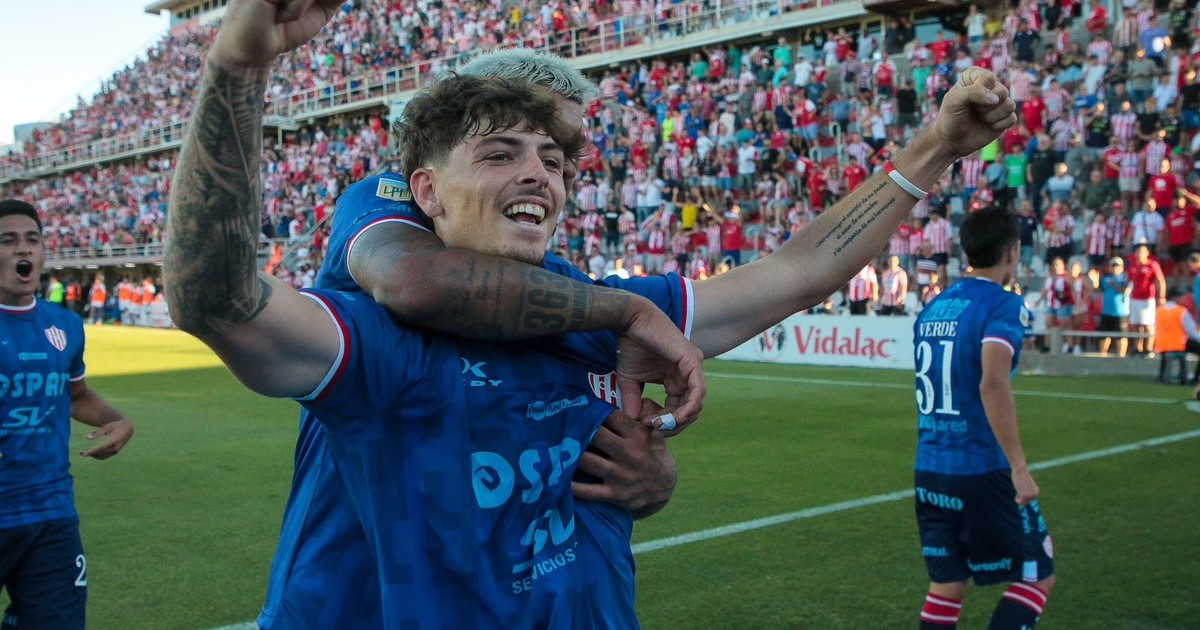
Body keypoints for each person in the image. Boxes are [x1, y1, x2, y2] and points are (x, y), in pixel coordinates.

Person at [168, 2, 1018, 618]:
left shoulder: (593, 303)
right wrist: (237, 68)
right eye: (501, 150)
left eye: (556, 156)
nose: (539, 171)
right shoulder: (385, 298)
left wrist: (934, 148)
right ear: (426, 188)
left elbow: (793, 273)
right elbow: (223, 298)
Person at [912, 207, 1055, 630]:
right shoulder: (1003, 304)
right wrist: (1019, 468)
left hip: (930, 468)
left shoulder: (934, 307)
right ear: (1012, 252)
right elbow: (992, 383)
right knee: (1037, 575)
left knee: (947, 586)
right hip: (980, 469)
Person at [0, 199, 135, 629]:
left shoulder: (66, 326)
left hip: (50, 511)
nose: (23, 249)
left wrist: (116, 418)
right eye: (8, 240)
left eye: (32, 239)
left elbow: (75, 394)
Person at [1153, 288, 1200, 383]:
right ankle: (1195, 377)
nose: (1184, 299)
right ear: (1175, 298)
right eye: (1181, 297)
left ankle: (1162, 374)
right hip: (1178, 345)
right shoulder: (1181, 311)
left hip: (1162, 345)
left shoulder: (1159, 310)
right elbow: (1192, 331)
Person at [1098, 257, 1132, 358]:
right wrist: (1095, 283)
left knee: (1121, 336)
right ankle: (1102, 356)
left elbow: (1126, 291)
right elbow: (1098, 290)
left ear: (1122, 267)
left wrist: (1114, 285)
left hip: (1120, 312)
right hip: (1106, 312)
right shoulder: (1106, 278)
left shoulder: (1126, 278)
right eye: (1113, 266)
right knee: (1104, 336)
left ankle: (1121, 357)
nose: (1115, 268)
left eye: (1117, 266)